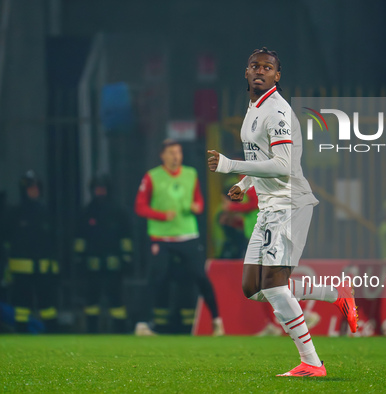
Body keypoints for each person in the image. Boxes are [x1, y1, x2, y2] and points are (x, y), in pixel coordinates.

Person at [207, 47, 358, 377]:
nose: (260, 70)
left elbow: (283, 164)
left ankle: (312, 363)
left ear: (278, 75)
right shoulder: (253, 107)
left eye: (268, 67)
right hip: (268, 207)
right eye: (254, 66)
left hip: (290, 204)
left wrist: (230, 165)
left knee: (275, 287)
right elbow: (264, 158)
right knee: (253, 288)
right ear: (246, 72)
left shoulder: (276, 111)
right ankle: (336, 293)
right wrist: (245, 184)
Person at [135, 139, 223, 335]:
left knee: (201, 277)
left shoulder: (191, 174)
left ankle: (217, 321)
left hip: (187, 234)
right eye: (172, 153)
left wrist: (197, 206)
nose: (176, 156)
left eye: (179, 153)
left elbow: (198, 200)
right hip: (162, 237)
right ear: (163, 156)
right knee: (155, 278)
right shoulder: (152, 177)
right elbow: (140, 206)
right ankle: (142, 324)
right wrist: (161, 215)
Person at [73, 175, 133, 333]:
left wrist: (127, 258)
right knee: (91, 301)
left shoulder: (118, 212)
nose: (99, 192)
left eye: (102, 189)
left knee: (116, 300)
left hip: (114, 265)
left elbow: (126, 237)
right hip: (92, 266)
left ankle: (121, 331)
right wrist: (79, 258)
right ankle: (92, 330)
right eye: (97, 189)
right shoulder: (87, 212)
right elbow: (80, 238)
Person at [5, 171, 59, 333]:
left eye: (36, 188)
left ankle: (53, 334)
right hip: (21, 270)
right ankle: (21, 333)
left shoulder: (45, 212)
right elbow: (7, 241)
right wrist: (7, 267)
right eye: (30, 188)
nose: (33, 191)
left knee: (48, 305)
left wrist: (54, 264)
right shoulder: (14, 213)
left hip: (43, 269)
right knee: (21, 307)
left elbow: (54, 240)